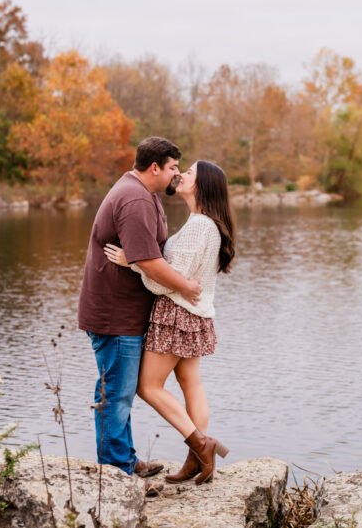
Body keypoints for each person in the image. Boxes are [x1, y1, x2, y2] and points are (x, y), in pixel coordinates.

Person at [78, 137, 202, 495]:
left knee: (120, 390)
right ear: (155, 168)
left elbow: (147, 255)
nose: (177, 174)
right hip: (115, 314)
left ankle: (126, 459)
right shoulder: (134, 199)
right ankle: (116, 473)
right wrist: (186, 287)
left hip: (124, 313)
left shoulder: (142, 194)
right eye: (173, 168)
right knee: (114, 393)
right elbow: (148, 261)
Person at [103, 160, 235, 485]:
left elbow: (167, 282)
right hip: (196, 314)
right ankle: (196, 459)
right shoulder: (204, 223)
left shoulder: (198, 227)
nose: (180, 175)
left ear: (201, 186)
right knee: (191, 382)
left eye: (188, 173)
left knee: (147, 387)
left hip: (176, 314)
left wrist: (133, 263)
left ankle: (201, 445)